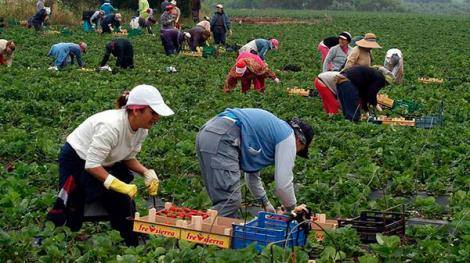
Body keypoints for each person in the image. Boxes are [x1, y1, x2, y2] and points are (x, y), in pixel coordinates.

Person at [46, 85, 174, 246]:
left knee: (122, 201)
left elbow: (127, 157)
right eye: (153, 113)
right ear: (136, 111)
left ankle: (131, 243)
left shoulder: (142, 129)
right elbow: (92, 165)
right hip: (77, 159)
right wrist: (116, 183)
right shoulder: (111, 126)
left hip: (104, 162)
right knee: (72, 203)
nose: (157, 118)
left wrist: (146, 172)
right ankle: (60, 241)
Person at [196, 108, 313, 218]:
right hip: (225, 136)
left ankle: (205, 232)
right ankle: (202, 234)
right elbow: (283, 184)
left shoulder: (271, 132)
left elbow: (252, 176)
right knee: (230, 201)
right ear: (299, 141)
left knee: (223, 202)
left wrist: (265, 203)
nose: (295, 153)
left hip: (209, 131)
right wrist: (290, 209)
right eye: (299, 150)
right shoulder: (288, 137)